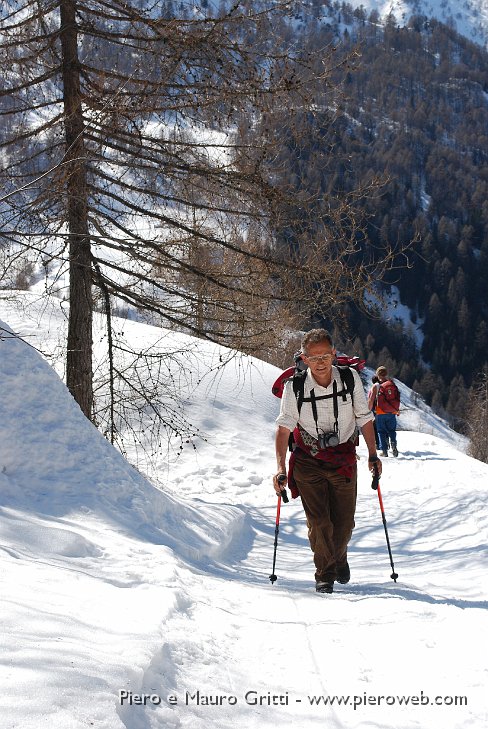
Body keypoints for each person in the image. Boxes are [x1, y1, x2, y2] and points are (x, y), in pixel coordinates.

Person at [273, 329, 382, 594]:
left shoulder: (349, 378)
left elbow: (364, 417)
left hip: (343, 457)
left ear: (334, 354)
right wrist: (280, 468)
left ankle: (338, 556)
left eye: (325, 355)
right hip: (307, 460)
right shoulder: (294, 387)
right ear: (304, 358)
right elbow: (284, 428)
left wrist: (372, 454)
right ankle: (325, 573)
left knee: (344, 523)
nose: (320, 361)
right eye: (314, 356)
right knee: (319, 521)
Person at [368, 366, 399, 458]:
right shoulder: (392, 385)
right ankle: (394, 445)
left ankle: (384, 451)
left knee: (381, 431)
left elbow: (371, 400)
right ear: (386, 374)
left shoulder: (376, 386)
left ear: (377, 375)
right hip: (392, 412)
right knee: (392, 431)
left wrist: (368, 410)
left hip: (380, 412)